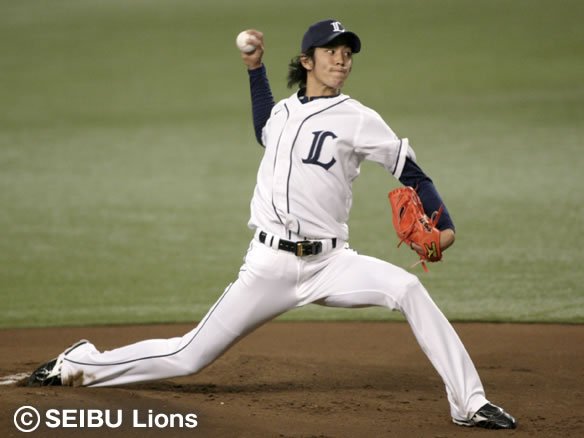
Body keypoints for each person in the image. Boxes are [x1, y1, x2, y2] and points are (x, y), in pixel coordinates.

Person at [28, 19, 516, 430]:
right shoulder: (283, 112)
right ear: (307, 60)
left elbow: (412, 173)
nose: (342, 60)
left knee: (407, 288)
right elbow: (265, 125)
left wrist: (445, 225)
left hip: (331, 263)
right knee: (188, 356)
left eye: (348, 53)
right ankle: (79, 363)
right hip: (268, 266)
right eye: (331, 51)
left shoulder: (360, 118)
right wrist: (254, 69)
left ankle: (469, 403)